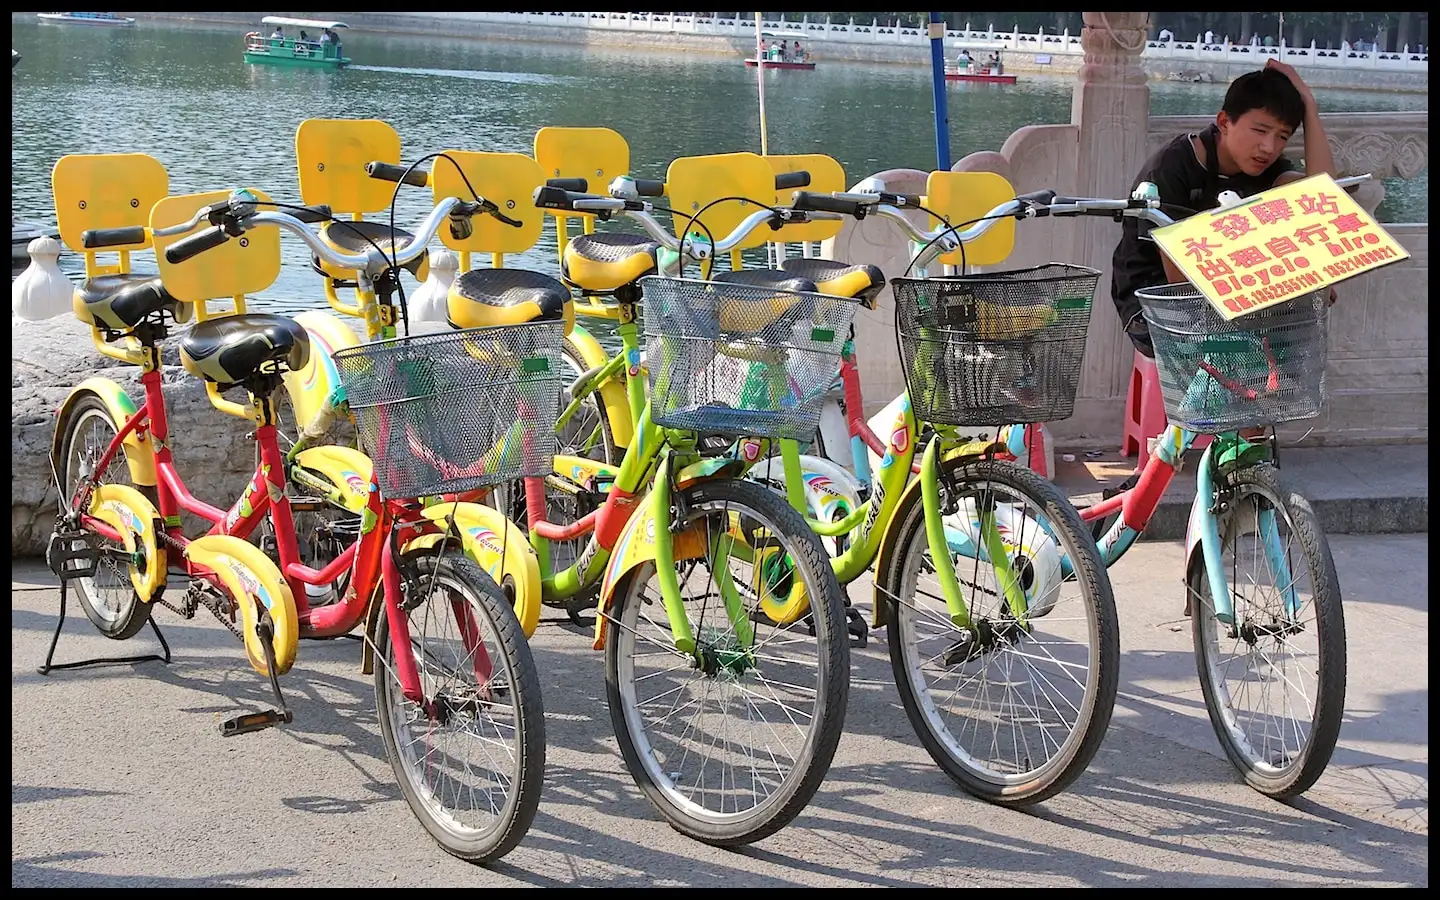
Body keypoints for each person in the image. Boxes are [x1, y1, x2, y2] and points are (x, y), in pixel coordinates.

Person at [1109, 61, 1338, 436]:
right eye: (1260, 130)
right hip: (1155, 301)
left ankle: (1245, 462)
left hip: (1224, 298)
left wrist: (1309, 105)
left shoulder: (1266, 171)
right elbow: (1177, 281)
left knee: (1289, 336)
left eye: (1282, 136)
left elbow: (1321, 196)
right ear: (1225, 121)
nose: (1269, 147)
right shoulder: (1174, 166)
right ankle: (1239, 463)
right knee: (1247, 355)